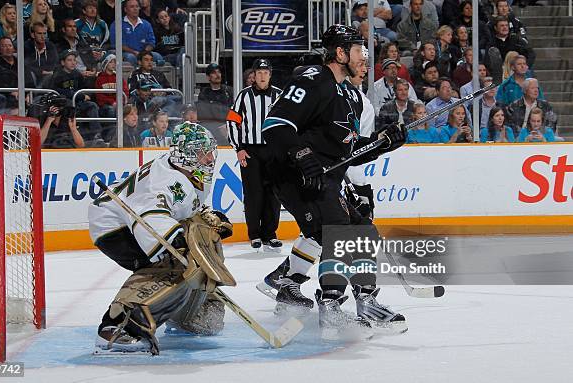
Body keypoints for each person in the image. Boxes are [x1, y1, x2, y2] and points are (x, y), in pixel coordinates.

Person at [259, 25, 406, 334]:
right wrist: (301, 156)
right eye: (358, 52)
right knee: (337, 230)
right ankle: (331, 304)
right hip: (295, 177)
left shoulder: (345, 96)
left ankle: (365, 299)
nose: (365, 59)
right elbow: (274, 125)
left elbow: (349, 151)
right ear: (340, 53)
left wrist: (383, 142)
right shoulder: (313, 80)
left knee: (363, 227)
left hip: (324, 179)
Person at [89, 122, 230, 354]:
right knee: (174, 263)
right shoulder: (168, 180)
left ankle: (189, 313)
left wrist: (205, 217)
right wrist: (175, 241)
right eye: (202, 153)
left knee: (203, 239)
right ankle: (117, 327)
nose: (209, 159)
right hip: (114, 226)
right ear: (187, 155)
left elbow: (178, 207)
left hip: (130, 219)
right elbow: (149, 213)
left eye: (208, 152)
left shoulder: (179, 170)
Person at [226, 58, 283, 252]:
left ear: (270, 74)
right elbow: (232, 121)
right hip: (250, 151)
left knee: (273, 194)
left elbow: (288, 123)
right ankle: (255, 234)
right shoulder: (244, 96)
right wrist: (238, 148)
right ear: (254, 75)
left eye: (265, 72)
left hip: (273, 151)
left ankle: (271, 234)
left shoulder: (279, 96)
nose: (262, 76)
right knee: (253, 193)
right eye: (259, 72)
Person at [51, 49, 102, 142]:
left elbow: (83, 88)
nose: (73, 62)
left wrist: (84, 95)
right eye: (69, 60)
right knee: (69, 104)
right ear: (63, 62)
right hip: (64, 104)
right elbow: (56, 90)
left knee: (92, 105)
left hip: (77, 102)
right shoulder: (58, 75)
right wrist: (80, 96)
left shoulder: (77, 74)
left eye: (74, 60)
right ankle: (65, 134)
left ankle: (96, 134)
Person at [0, 36, 36, 115]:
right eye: (4, 46)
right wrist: (11, 91)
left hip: (23, 95)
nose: (7, 48)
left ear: (13, 48)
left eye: (9, 45)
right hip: (5, 96)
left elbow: (30, 83)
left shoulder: (21, 63)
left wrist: (28, 95)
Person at [110, 0, 162, 66]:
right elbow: (117, 44)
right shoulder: (117, 24)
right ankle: (135, 75)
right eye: (132, 7)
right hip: (125, 53)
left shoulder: (146, 24)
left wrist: (144, 53)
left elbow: (151, 42)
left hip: (143, 53)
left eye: (137, 6)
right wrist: (134, 52)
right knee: (131, 57)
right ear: (125, 9)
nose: (135, 9)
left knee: (158, 57)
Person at [24, 21, 59, 87]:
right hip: (32, 79)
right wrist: (41, 72)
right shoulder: (26, 47)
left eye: (44, 33)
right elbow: (26, 65)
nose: (43, 36)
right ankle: (35, 93)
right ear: (33, 35)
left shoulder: (51, 46)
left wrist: (48, 72)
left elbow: (56, 64)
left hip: (48, 77)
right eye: (39, 33)